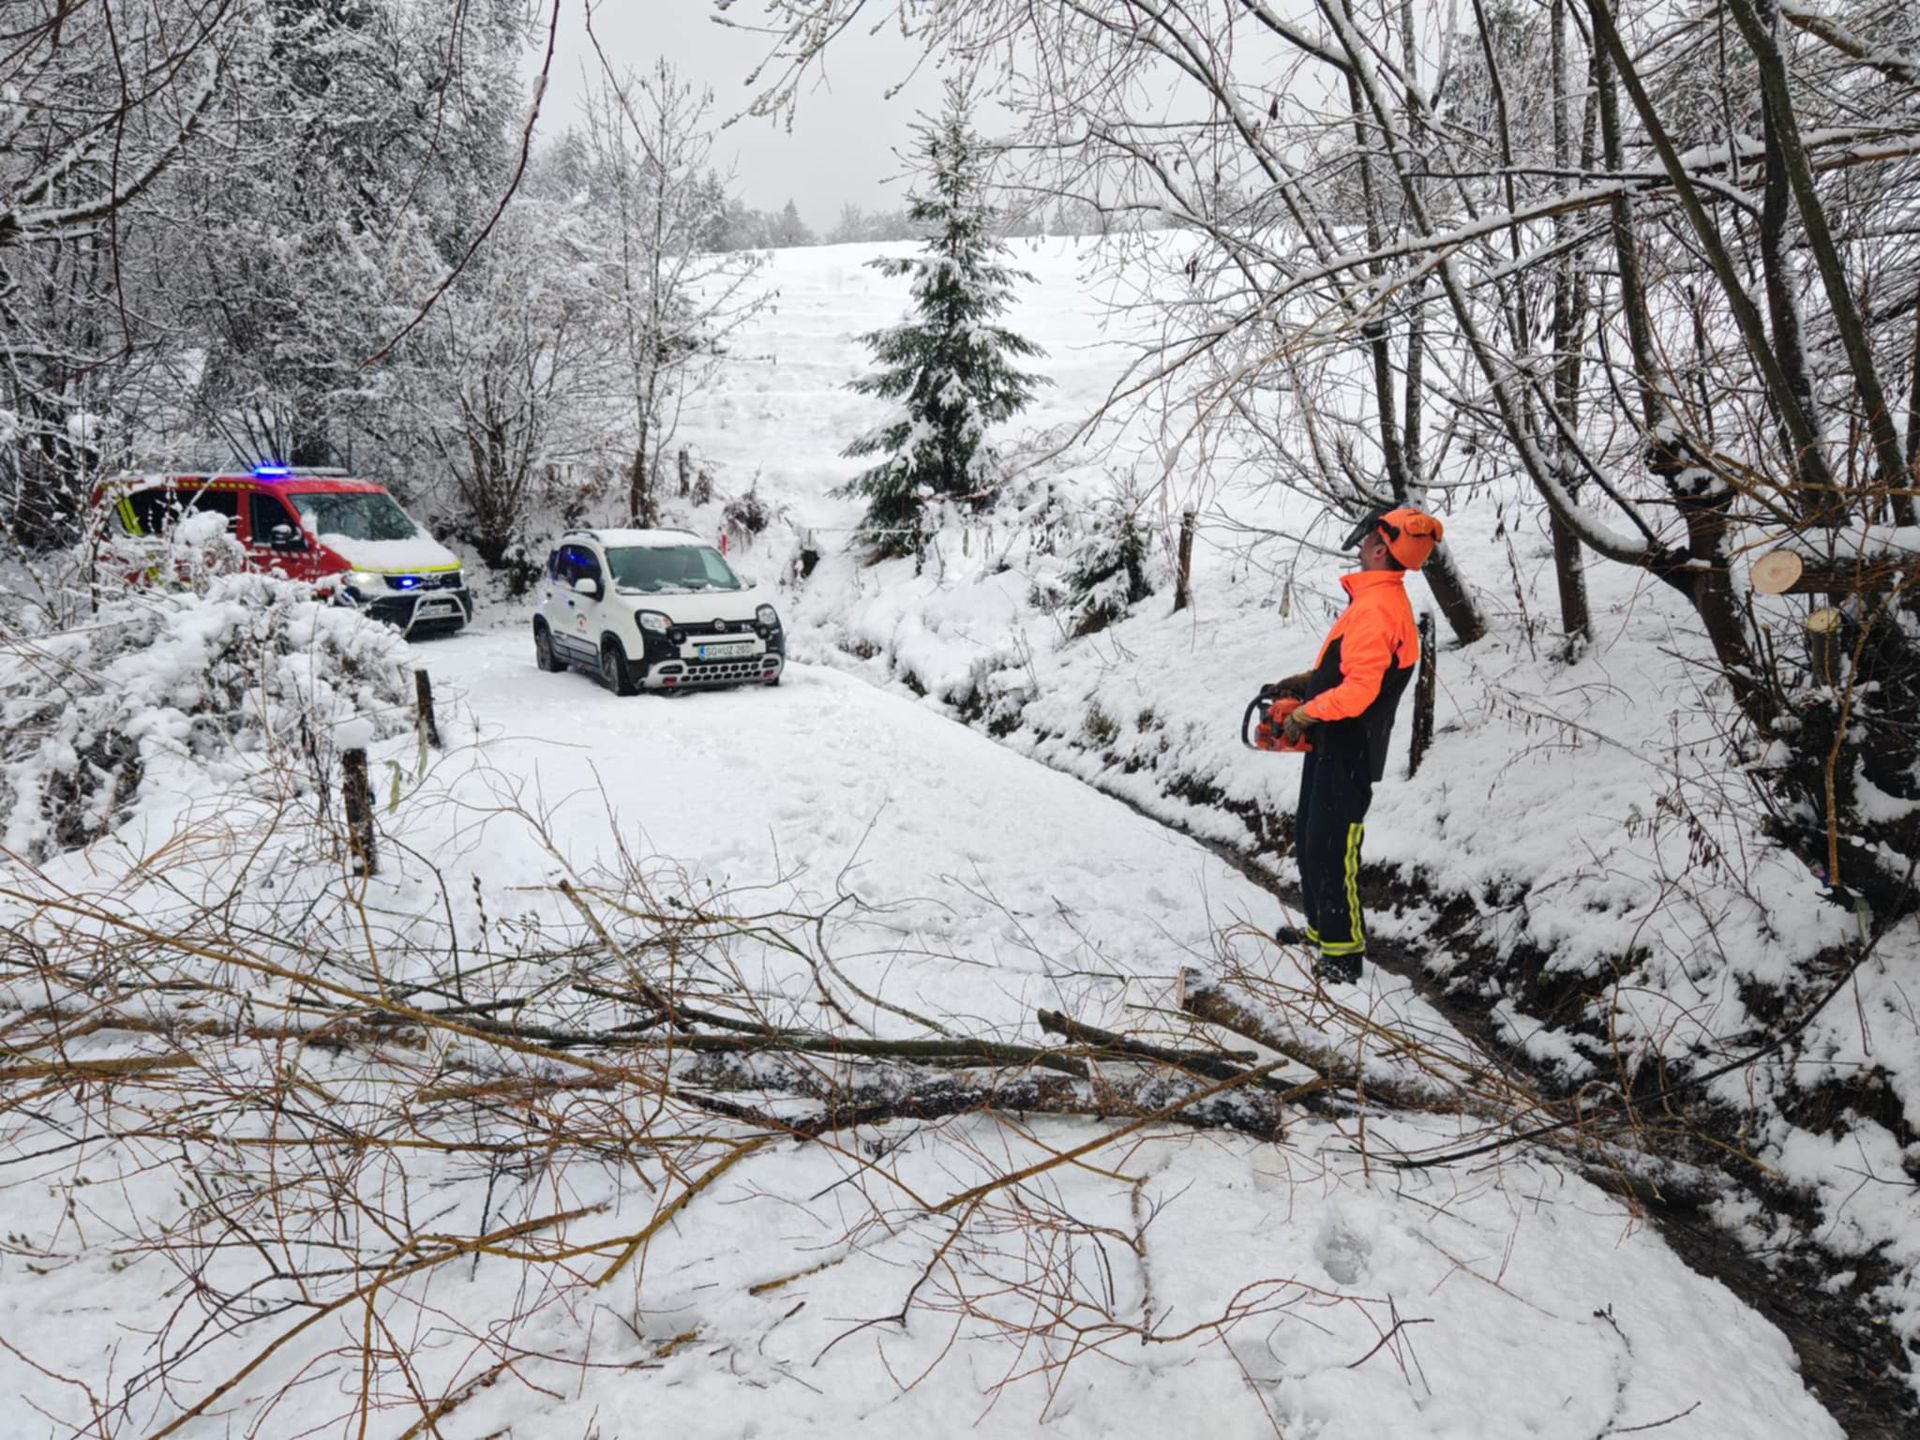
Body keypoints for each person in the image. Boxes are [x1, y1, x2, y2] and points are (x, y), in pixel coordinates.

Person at [1262, 505, 1444, 984]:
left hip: (1350, 746)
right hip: (1331, 741)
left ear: (1381, 549)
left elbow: (1360, 691)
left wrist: (1303, 713)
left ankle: (1344, 955)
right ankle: (1321, 930)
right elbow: (1349, 670)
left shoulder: (1379, 607)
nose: (1361, 544)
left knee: (1333, 848)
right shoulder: (1373, 600)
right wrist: (1308, 682)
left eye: (1368, 538)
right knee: (1311, 839)